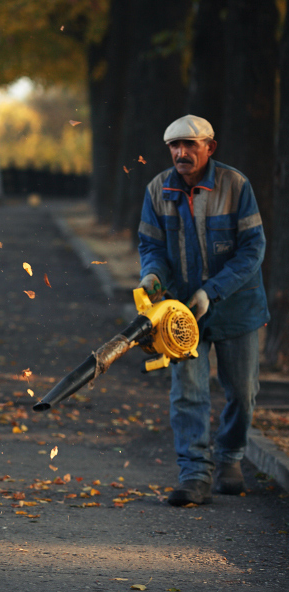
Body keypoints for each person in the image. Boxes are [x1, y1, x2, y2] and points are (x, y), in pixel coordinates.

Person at [137, 115, 270, 507]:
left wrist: (212, 291)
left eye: (190, 145)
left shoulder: (235, 185)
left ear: (210, 147)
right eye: (175, 146)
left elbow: (253, 250)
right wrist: (151, 278)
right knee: (188, 392)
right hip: (180, 310)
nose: (181, 152)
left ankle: (229, 458)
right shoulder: (157, 189)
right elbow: (152, 248)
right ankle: (194, 474)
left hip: (236, 307)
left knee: (242, 392)